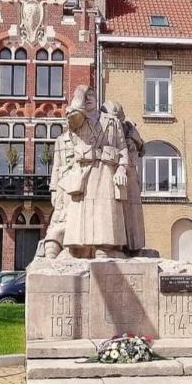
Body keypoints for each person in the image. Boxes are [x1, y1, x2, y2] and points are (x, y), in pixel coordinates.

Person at [53, 85, 129, 259]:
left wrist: (122, 168)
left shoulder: (112, 121)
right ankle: (82, 249)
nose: (88, 98)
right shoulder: (77, 120)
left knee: (106, 210)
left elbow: (122, 148)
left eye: (91, 94)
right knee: (82, 215)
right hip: (84, 172)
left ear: (97, 98)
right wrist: (80, 92)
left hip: (107, 171)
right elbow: (72, 116)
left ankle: (106, 248)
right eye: (84, 96)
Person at [102, 100, 146, 253]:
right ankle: (118, 246)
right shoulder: (108, 129)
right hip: (113, 174)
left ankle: (133, 247)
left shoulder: (129, 130)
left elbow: (140, 149)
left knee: (131, 212)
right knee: (116, 211)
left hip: (129, 174)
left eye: (116, 117)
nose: (113, 121)